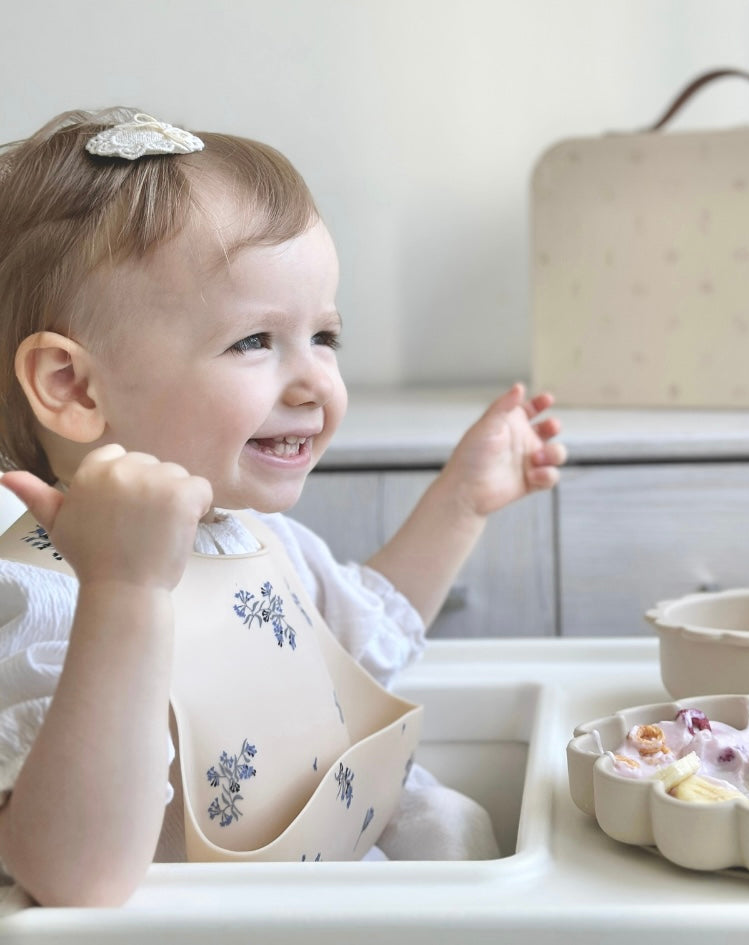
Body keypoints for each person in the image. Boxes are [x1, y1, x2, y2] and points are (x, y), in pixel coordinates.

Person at [0, 109, 566, 907]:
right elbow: (70, 878)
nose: (314, 383)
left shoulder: (255, 539)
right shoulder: (44, 599)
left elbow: (364, 638)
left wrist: (462, 500)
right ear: (73, 386)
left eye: (324, 336)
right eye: (253, 341)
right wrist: (122, 592)